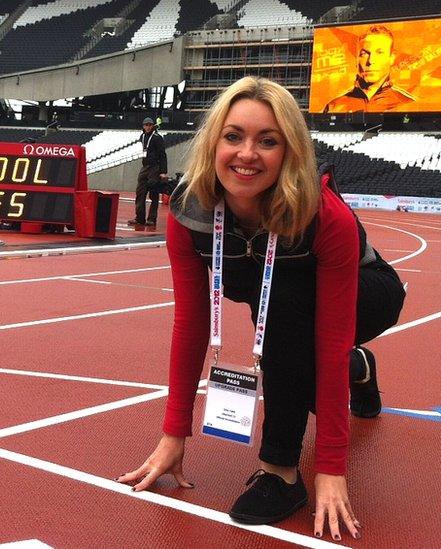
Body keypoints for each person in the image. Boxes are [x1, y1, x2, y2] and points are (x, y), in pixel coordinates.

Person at [116, 76, 405, 541]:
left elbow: (330, 339)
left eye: (267, 141)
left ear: (289, 152)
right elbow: (190, 324)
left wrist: (330, 467)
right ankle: (361, 369)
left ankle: (280, 473)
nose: (247, 154)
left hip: (368, 294)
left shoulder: (323, 215)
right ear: (214, 142)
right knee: (286, 332)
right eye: (233, 137)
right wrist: (174, 434)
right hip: (278, 298)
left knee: (288, 317)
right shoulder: (190, 211)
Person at [323, 25, 415, 113]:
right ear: (356, 59)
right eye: (364, 54)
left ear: (391, 58)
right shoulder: (334, 106)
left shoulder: (407, 103)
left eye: (379, 53)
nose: (370, 61)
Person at [127, 117, 169, 228]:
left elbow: (163, 155)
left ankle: (151, 219)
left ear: (153, 126)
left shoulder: (157, 138)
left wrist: (163, 171)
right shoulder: (142, 136)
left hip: (155, 168)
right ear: (143, 126)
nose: (148, 127)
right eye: (146, 125)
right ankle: (139, 218)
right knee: (140, 192)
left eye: (150, 125)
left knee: (153, 194)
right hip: (145, 167)